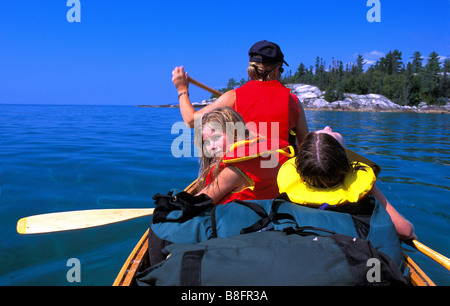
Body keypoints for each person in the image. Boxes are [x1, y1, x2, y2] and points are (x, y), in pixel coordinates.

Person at [277, 126, 417, 241]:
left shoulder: (288, 188)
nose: (328, 127)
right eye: (334, 135)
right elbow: (405, 231)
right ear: (344, 160)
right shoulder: (360, 187)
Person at [172, 40, 309, 148]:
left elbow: (191, 121)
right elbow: (305, 145)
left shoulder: (233, 97)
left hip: (241, 176)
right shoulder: (293, 101)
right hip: (278, 175)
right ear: (276, 70)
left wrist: (182, 89)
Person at [194, 107, 293, 204]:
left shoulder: (233, 172)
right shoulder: (263, 157)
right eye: (206, 142)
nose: (211, 147)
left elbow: (197, 204)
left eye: (216, 137)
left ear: (235, 132)